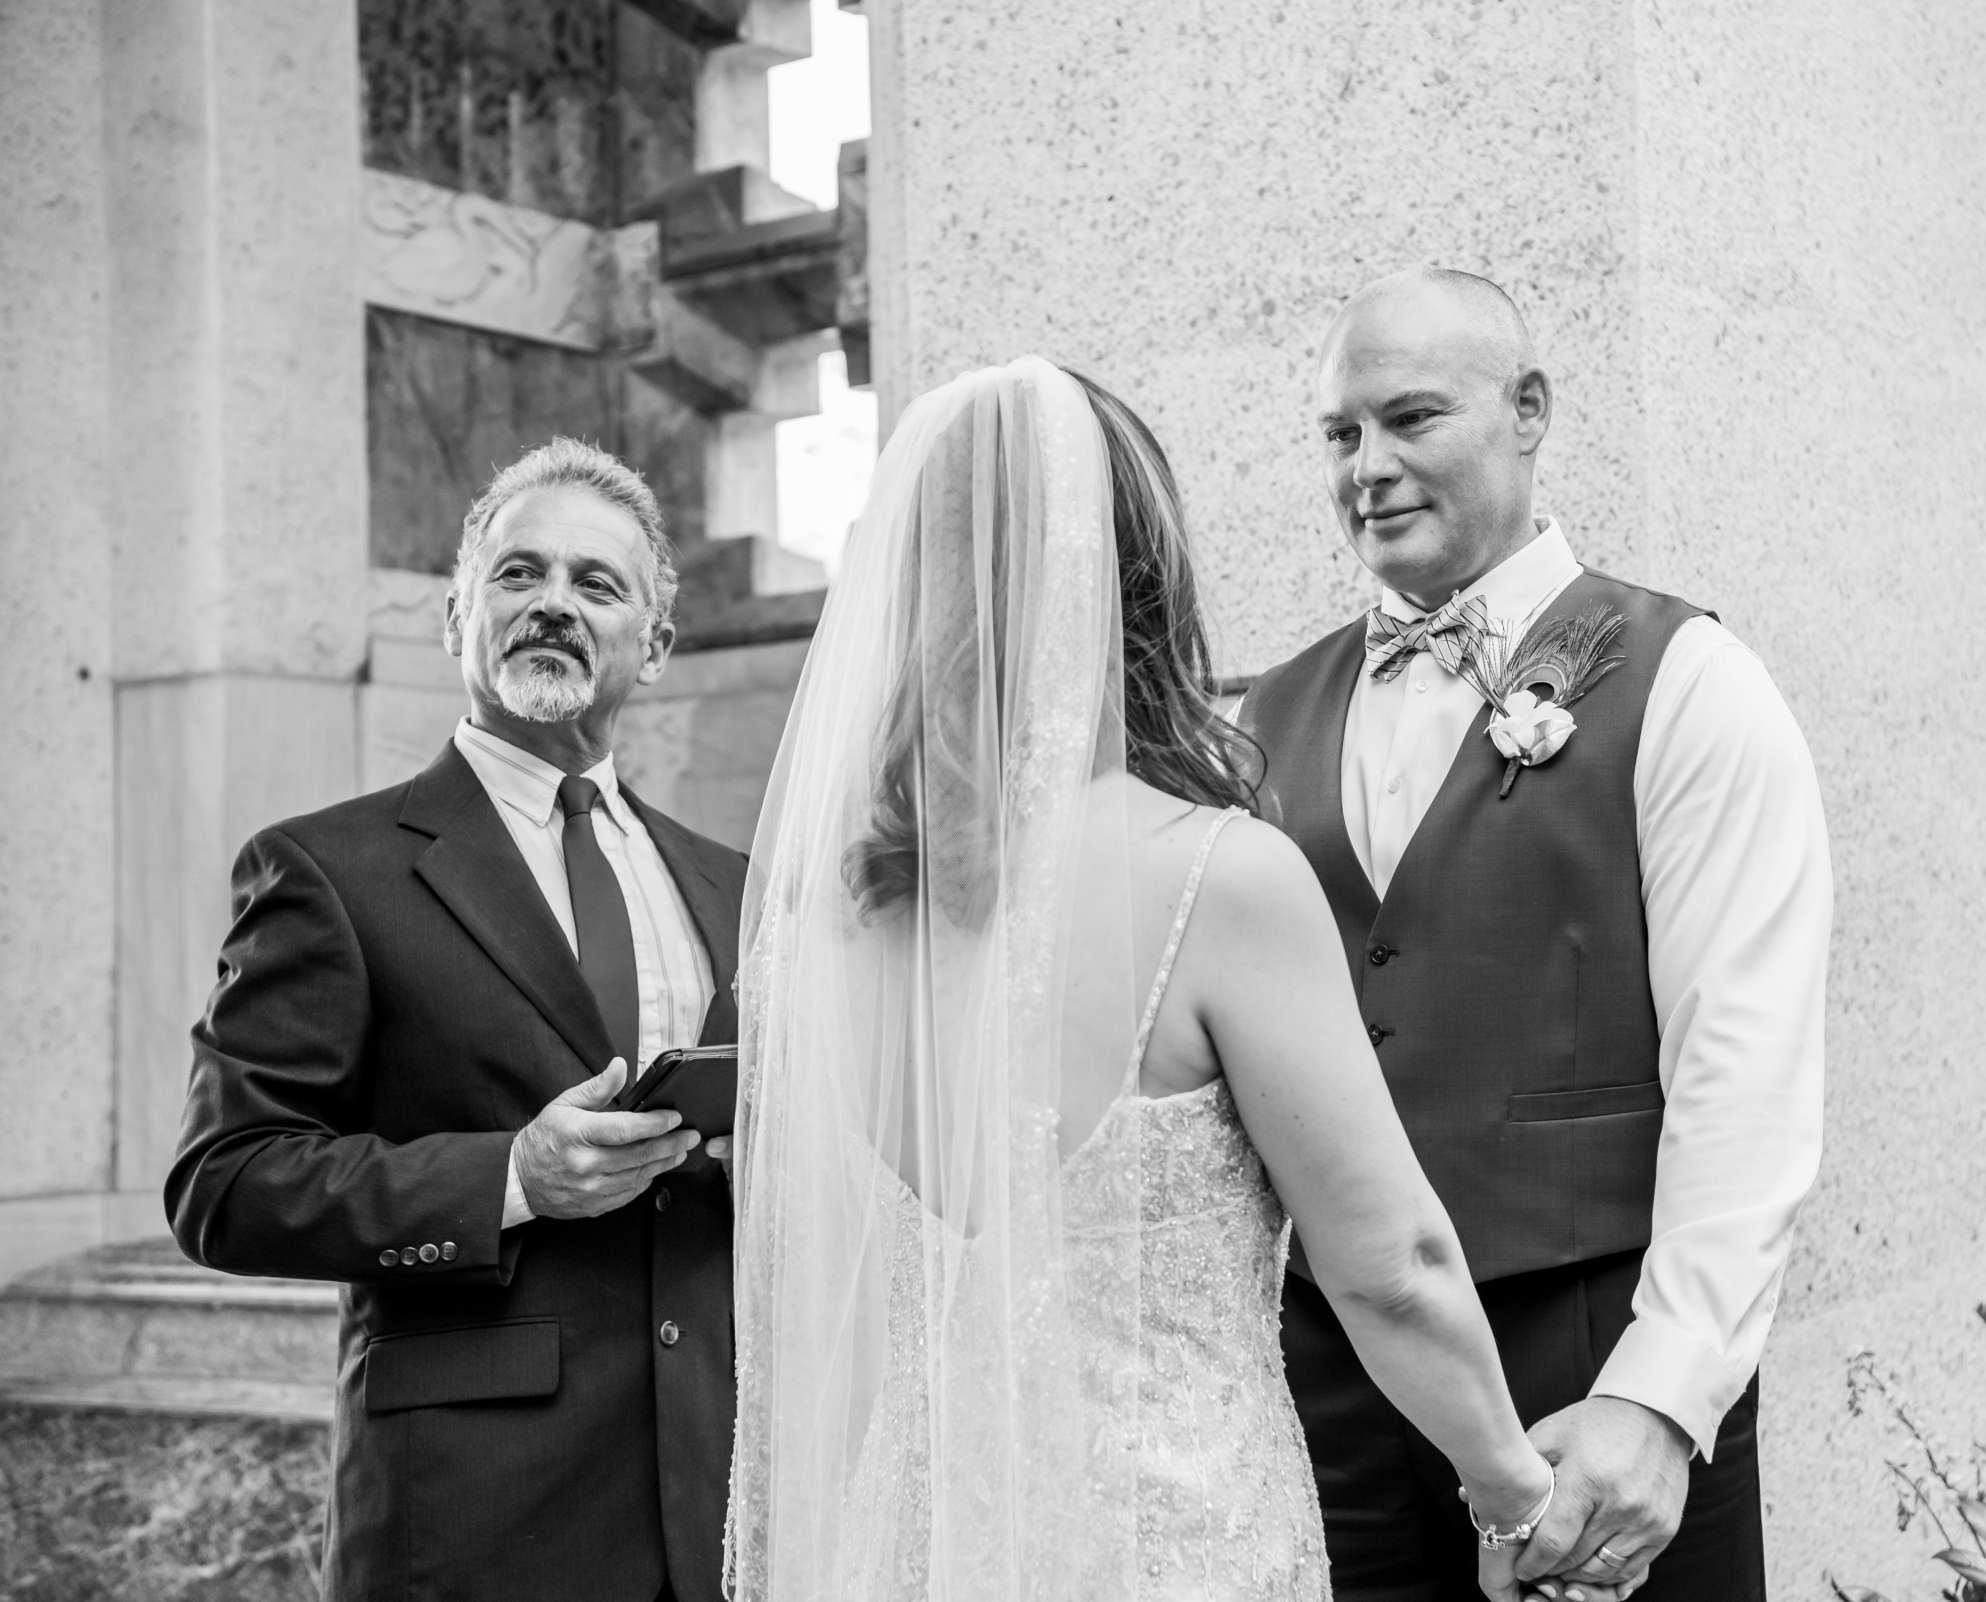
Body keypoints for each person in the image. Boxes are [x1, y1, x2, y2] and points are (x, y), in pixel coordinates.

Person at [726, 356, 1556, 1602]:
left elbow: (814, 1321)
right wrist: (1512, 1497)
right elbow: (1392, 1269)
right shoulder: (1219, 880)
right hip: (1168, 1546)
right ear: (1139, 580)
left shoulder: (821, 920)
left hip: (904, 1549)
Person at [1242, 268, 1831, 1602]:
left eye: (1409, 419)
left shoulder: (1690, 682)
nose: (1369, 468)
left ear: (1527, 410)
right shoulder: (1265, 717)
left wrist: (1665, 1395)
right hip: (1334, 1385)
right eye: (1339, 436)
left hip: (1593, 1356)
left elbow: (1747, 1073)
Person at [165, 439, 745, 1602]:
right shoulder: (327, 870)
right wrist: (513, 1177)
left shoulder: (735, 884)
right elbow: (222, 1183)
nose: (553, 606)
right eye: (519, 574)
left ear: (659, 646)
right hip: (474, 1516)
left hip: (722, 1494)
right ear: (456, 620)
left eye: (596, 584)